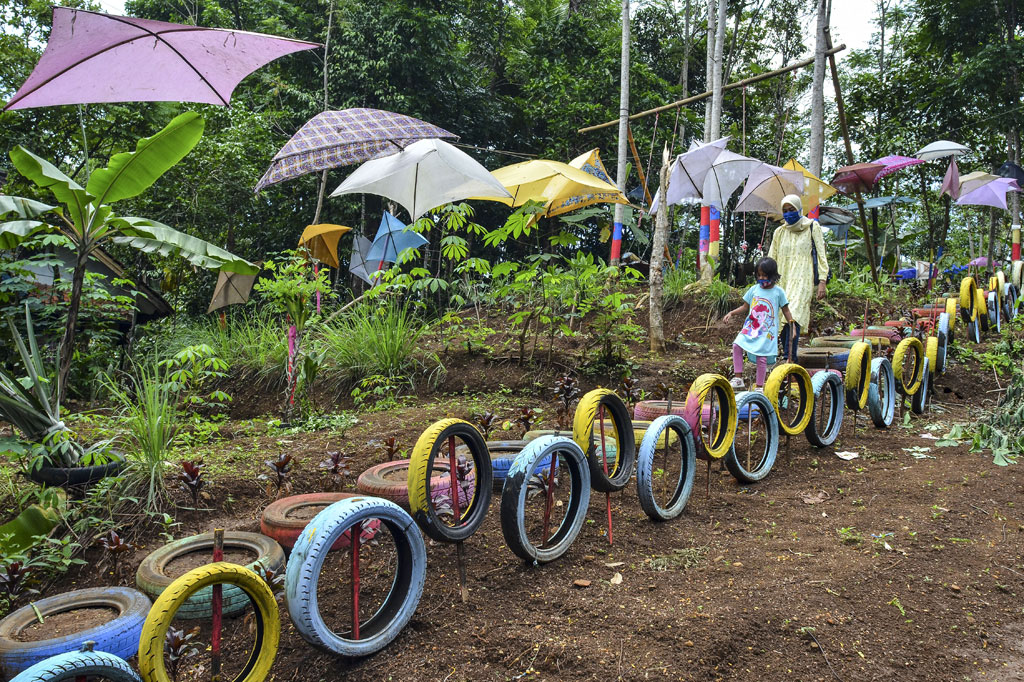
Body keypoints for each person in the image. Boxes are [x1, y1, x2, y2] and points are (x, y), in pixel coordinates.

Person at [767, 194, 829, 363]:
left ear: (799, 209)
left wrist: (822, 281)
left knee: (793, 313)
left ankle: (790, 358)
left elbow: (821, 255)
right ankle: (786, 356)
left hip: (803, 278)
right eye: (785, 211)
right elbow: (772, 257)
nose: (788, 213)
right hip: (782, 279)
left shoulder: (811, 227)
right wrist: (767, 280)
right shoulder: (779, 232)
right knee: (781, 316)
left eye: (792, 209)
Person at [723, 257, 795, 391]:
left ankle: (759, 387)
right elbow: (745, 307)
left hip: (766, 332)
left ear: (773, 276)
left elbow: (786, 311)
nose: (762, 278)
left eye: (765, 275)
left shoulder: (778, 292)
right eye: (759, 275)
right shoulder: (754, 289)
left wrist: (793, 326)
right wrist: (731, 313)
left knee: (762, 358)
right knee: (737, 345)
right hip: (751, 328)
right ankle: (738, 378)